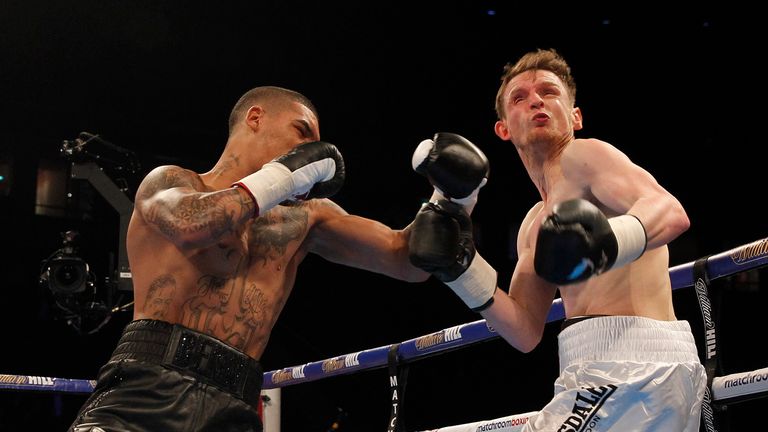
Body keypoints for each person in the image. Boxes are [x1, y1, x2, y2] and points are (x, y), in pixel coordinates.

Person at [67, 86, 488, 432]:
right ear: (255, 119)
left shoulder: (306, 218)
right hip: (145, 387)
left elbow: (406, 260)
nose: (314, 153)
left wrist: (452, 199)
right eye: (302, 132)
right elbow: (192, 223)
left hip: (233, 404)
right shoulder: (173, 182)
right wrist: (283, 174)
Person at [408, 49, 707, 431]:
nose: (535, 100)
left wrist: (607, 241)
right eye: (520, 97)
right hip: (593, 372)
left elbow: (668, 210)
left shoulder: (585, 156)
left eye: (549, 92)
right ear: (503, 128)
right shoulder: (534, 223)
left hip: (636, 367)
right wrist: (460, 269)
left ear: (575, 116)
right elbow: (525, 329)